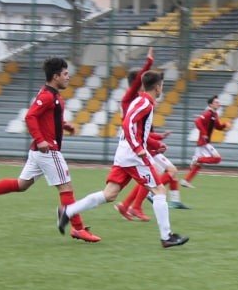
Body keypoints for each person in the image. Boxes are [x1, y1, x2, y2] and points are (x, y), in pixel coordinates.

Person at [0, 55, 101, 242]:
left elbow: (47, 118)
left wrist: (64, 125)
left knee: (22, 185)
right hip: (48, 151)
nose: (68, 77)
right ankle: (78, 228)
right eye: (65, 74)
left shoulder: (52, 95)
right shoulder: (47, 95)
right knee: (66, 187)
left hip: (38, 152)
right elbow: (30, 117)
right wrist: (41, 140)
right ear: (55, 76)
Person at [58, 69, 188, 248]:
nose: (162, 89)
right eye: (162, 86)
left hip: (124, 153)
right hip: (133, 155)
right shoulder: (145, 103)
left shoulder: (140, 101)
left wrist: (155, 144)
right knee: (159, 190)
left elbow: (137, 131)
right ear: (158, 87)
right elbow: (128, 124)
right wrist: (138, 148)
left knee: (109, 194)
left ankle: (68, 211)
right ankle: (167, 237)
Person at [181, 95, 228, 186]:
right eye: (216, 102)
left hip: (204, 142)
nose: (218, 104)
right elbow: (197, 121)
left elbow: (218, 126)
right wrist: (204, 133)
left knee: (198, 165)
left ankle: (186, 181)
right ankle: (197, 159)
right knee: (217, 158)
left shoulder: (214, 114)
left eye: (218, 102)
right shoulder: (208, 113)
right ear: (210, 104)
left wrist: (224, 125)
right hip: (204, 142)